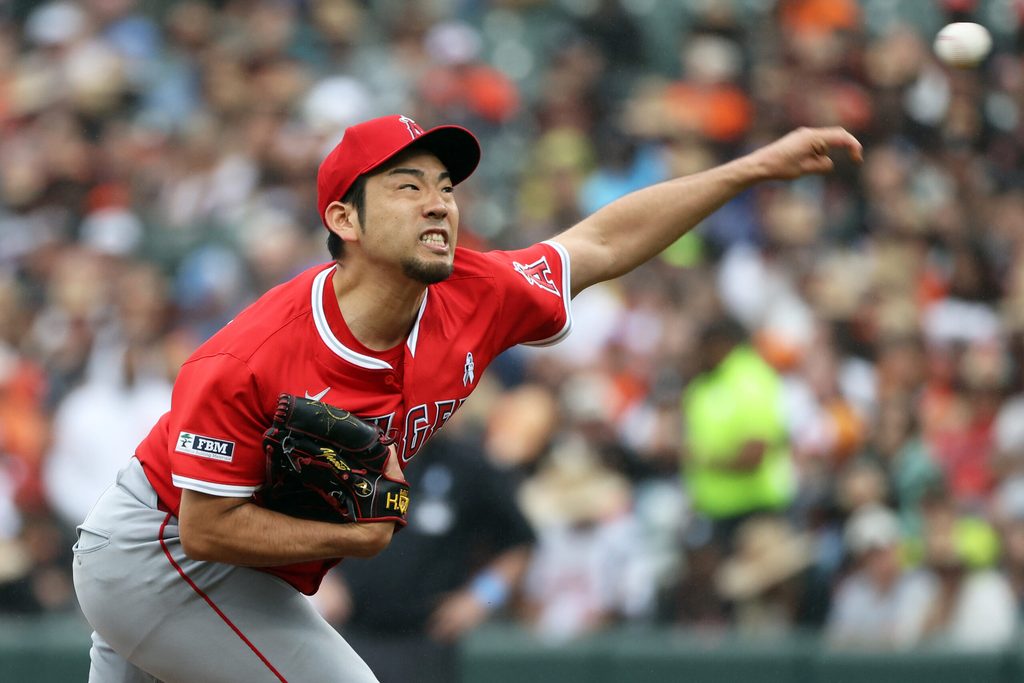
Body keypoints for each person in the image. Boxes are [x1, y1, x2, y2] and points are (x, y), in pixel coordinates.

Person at [70, 113, 862, 682]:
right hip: (161, 550)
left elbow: (602, 243)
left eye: (445, 186)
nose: (439, 202)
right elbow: (208, 526)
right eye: (407, 185)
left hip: (221, 566)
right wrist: (360, 540)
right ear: (343, 217)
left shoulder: (478, 291)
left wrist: (750, 169)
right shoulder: (251, 355)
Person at [329, 430, 534, 683]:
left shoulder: (468, 464)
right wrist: (324, 578)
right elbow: (301, 520)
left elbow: (519, 542)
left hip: (425, 639)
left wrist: (481, 596)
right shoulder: (346, 458)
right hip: (349, 632)